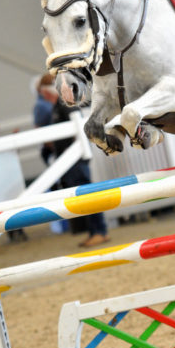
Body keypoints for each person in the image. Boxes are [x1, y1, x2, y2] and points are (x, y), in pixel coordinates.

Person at [51, 97, 109, 248]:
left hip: (75, 158)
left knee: (87, 194)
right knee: (84, 195)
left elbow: (78, 127)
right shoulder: (59, 104)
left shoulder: (64, 102)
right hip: (71, 157)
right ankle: (96, 231)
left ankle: (99, 231)